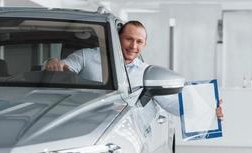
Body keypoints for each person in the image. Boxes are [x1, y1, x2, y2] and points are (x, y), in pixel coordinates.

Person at [45, 21, 224, 119]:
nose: (133, 46)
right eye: (128, 39)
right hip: (81, 120)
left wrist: (210, 110)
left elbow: (177, 106)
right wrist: (53, 62)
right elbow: (65, 67)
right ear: (117, 39)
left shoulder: (148, 74)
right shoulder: (87, 56)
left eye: (139, 42)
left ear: (144, 45)